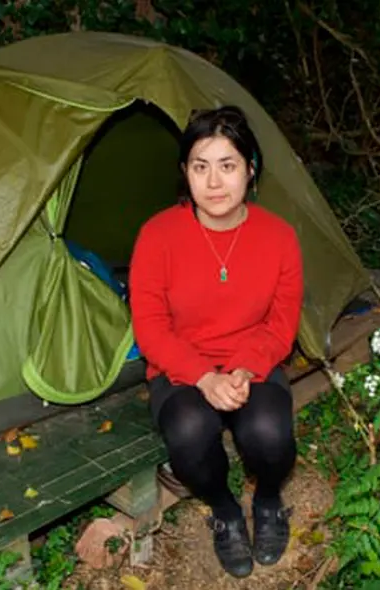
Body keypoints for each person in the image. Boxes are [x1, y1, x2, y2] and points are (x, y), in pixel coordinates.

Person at [128, 106, 304, 578]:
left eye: (227, 165)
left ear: (250, 168)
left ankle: (267, 499)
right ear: (184, 173)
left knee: (268, 433)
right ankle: (225, 510)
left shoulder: (279, 237)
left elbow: (282, 323)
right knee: (188, 431)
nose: (213, 182)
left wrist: (245, 369)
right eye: (200, 166)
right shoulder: (157, 235)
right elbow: (150, 326)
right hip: (182, 365)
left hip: (253, 361)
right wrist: (204, 378)